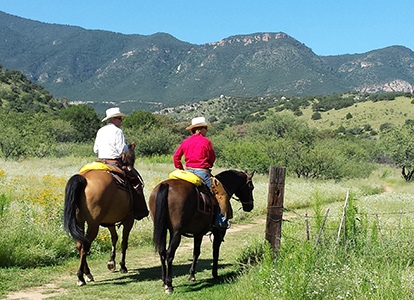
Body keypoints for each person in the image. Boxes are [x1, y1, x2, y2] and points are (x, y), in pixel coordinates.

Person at [94, 107, 148, 221]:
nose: (121, 121)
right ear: (113, 119)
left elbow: (95, 149)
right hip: (113, 163)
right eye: (119, 118)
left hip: (99, 162)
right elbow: (120, 150)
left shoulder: (100, 131)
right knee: (135, 181)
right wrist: (127, 147)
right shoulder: (118, 131)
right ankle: (138, 210)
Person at [173, 116, 228, 228]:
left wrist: (181, 168)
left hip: (187, 173)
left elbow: (176, 157)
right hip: (202, 172)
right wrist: (208, 165)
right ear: (201, 128)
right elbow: (212, 157)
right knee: (220, 194)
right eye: (205, 128)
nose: (207, 130)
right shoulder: (206, 142)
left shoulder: (186, 141)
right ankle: (220, 220)